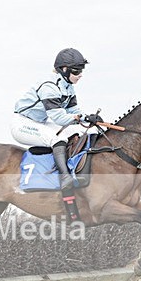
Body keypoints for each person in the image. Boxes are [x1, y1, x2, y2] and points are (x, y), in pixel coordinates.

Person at [11, 47, 101, 191]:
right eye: (76, 71)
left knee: (77, 132)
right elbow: (59, 117)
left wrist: (89, 118)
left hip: (40, 122)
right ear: (64, 69)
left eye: (81, 71)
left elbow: (73, 111)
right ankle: (64, 177)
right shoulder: (49, 86)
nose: (80, 75)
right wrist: (81, 118)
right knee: (58, 139)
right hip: (22, 124)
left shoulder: (68, 86)